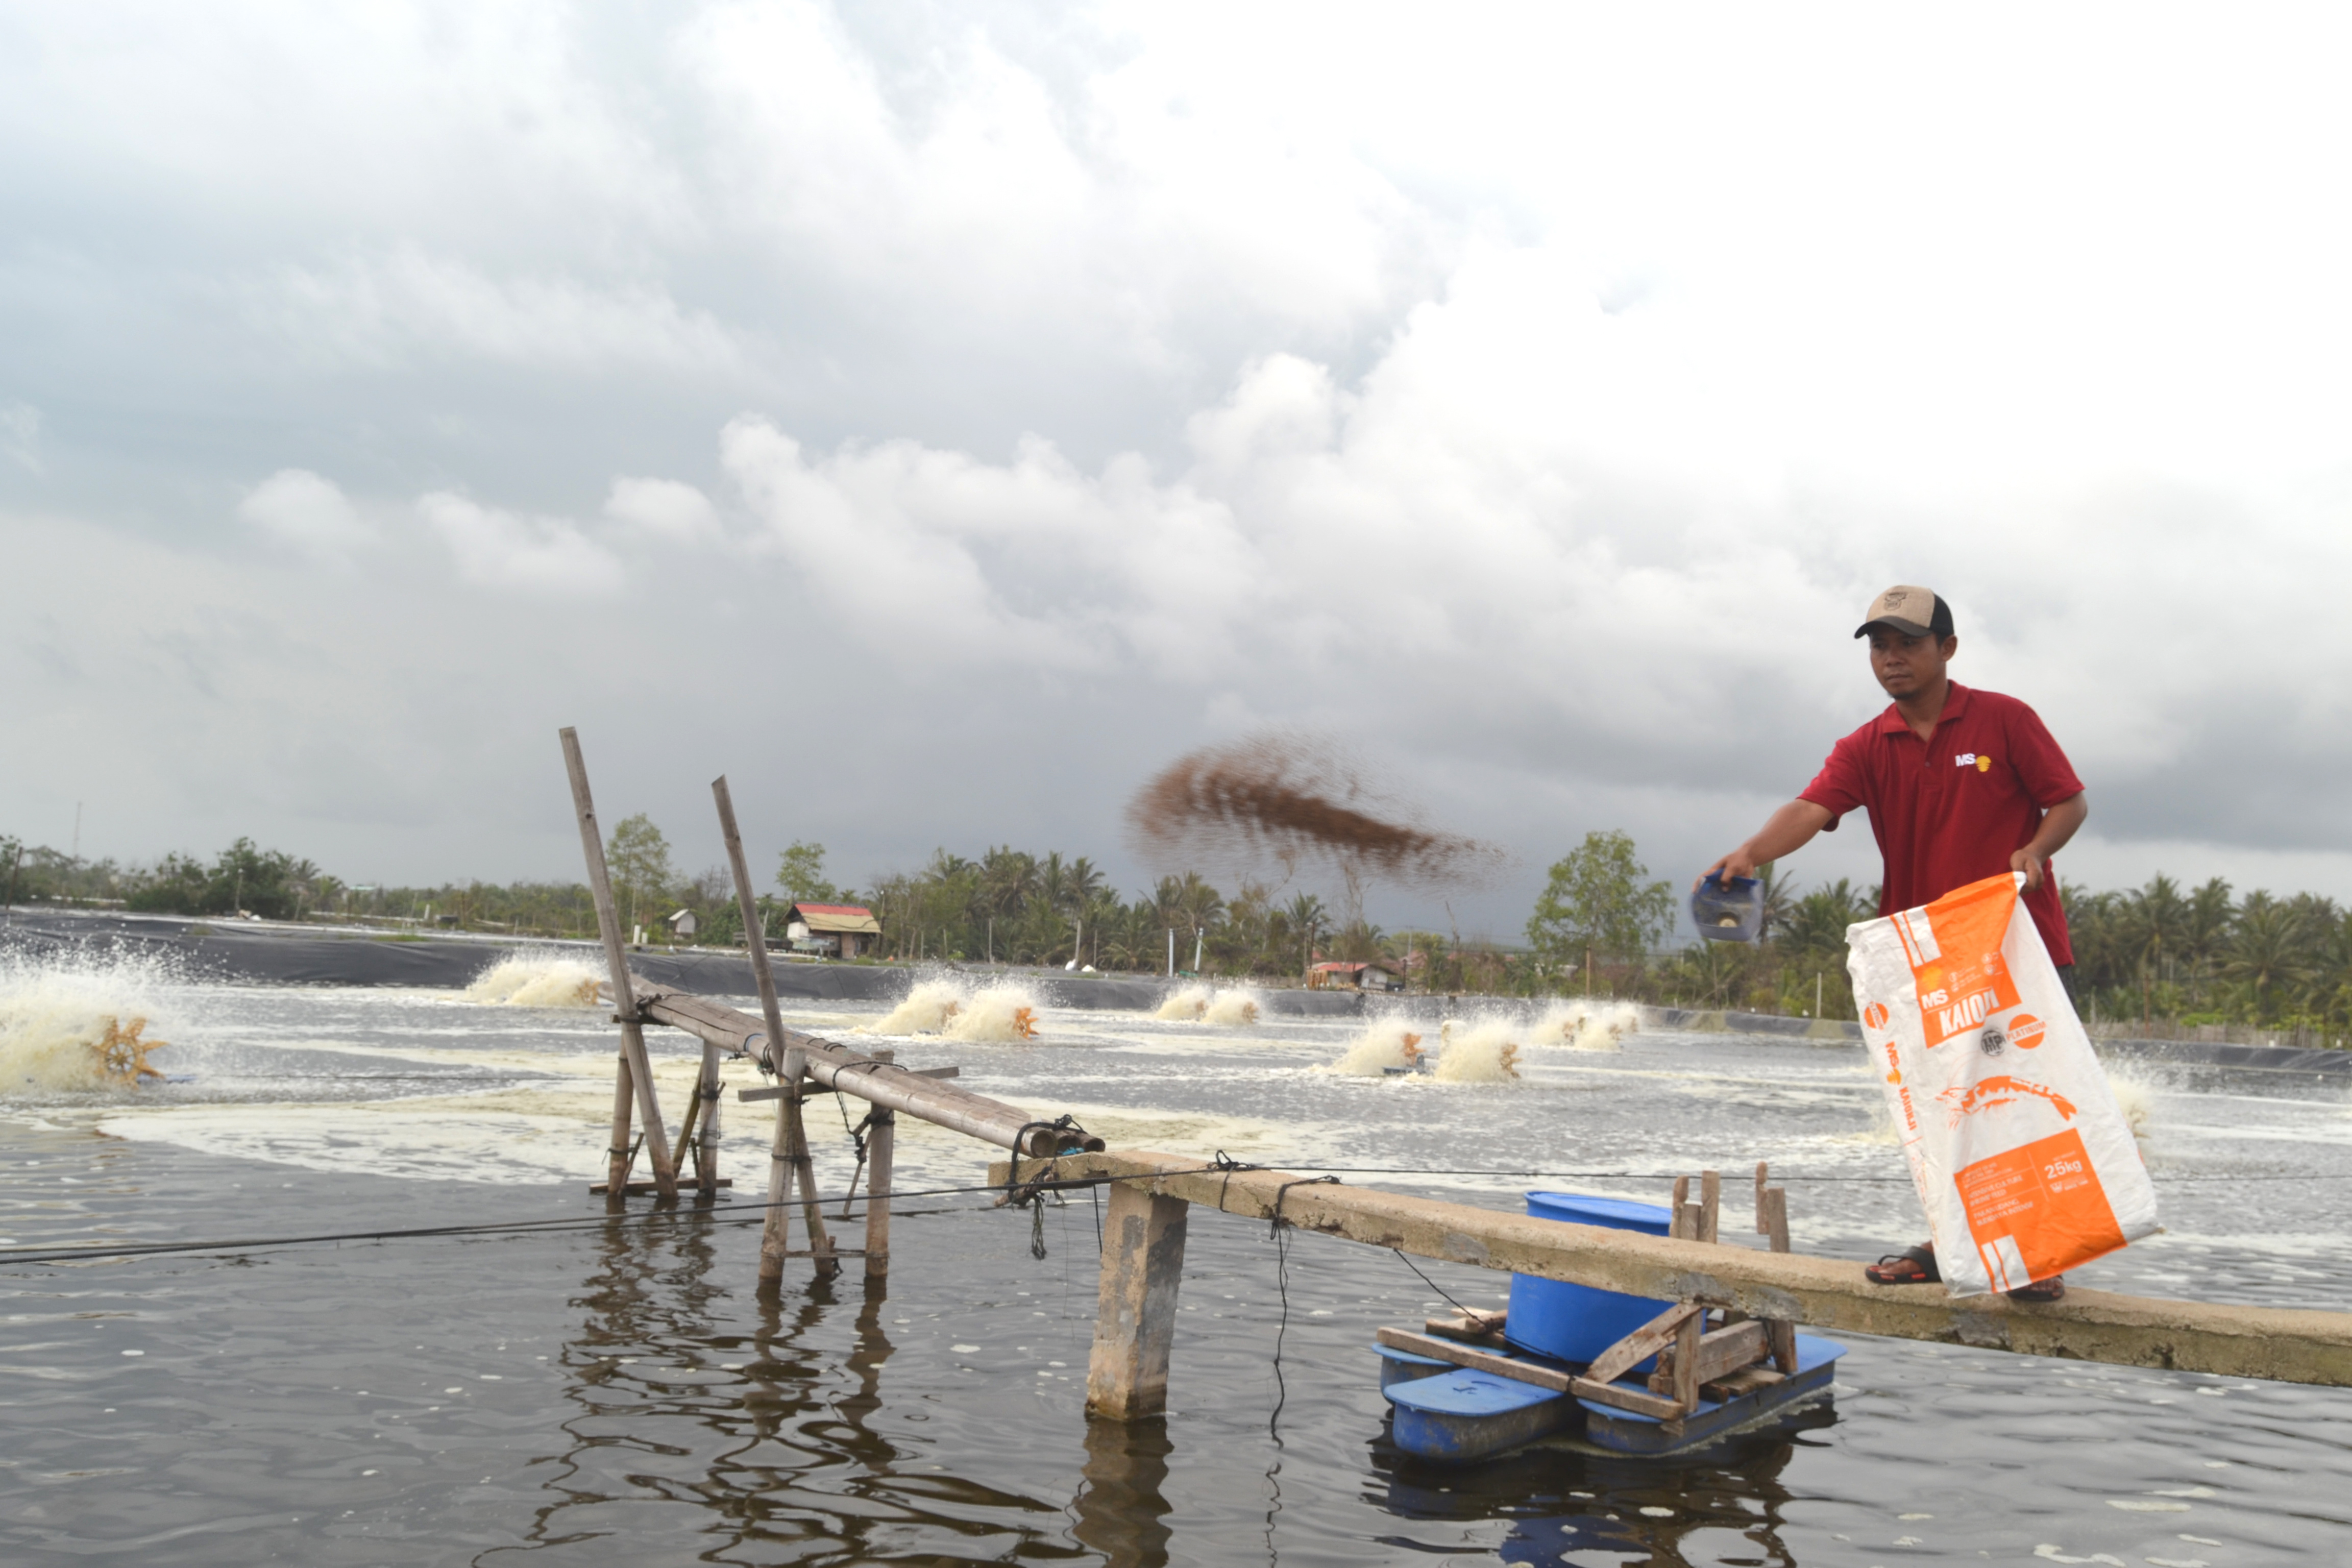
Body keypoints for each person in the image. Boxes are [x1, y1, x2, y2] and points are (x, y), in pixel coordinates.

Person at [1701, 584, 2088, 1303]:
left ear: (1948, 648)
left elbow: (2069, 801)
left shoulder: (2006, 721)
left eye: (1908, 643)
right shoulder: (1868, 744)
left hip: (2017, 947)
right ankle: (1954, 1245)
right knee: (1939, 1107)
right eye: (1879, 646)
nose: (1892, 659)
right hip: (1928, 960)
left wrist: (2034, 848)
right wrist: (1752, 853)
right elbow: (1813, 808)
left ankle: (2037, 1255)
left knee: (2024, 1102)